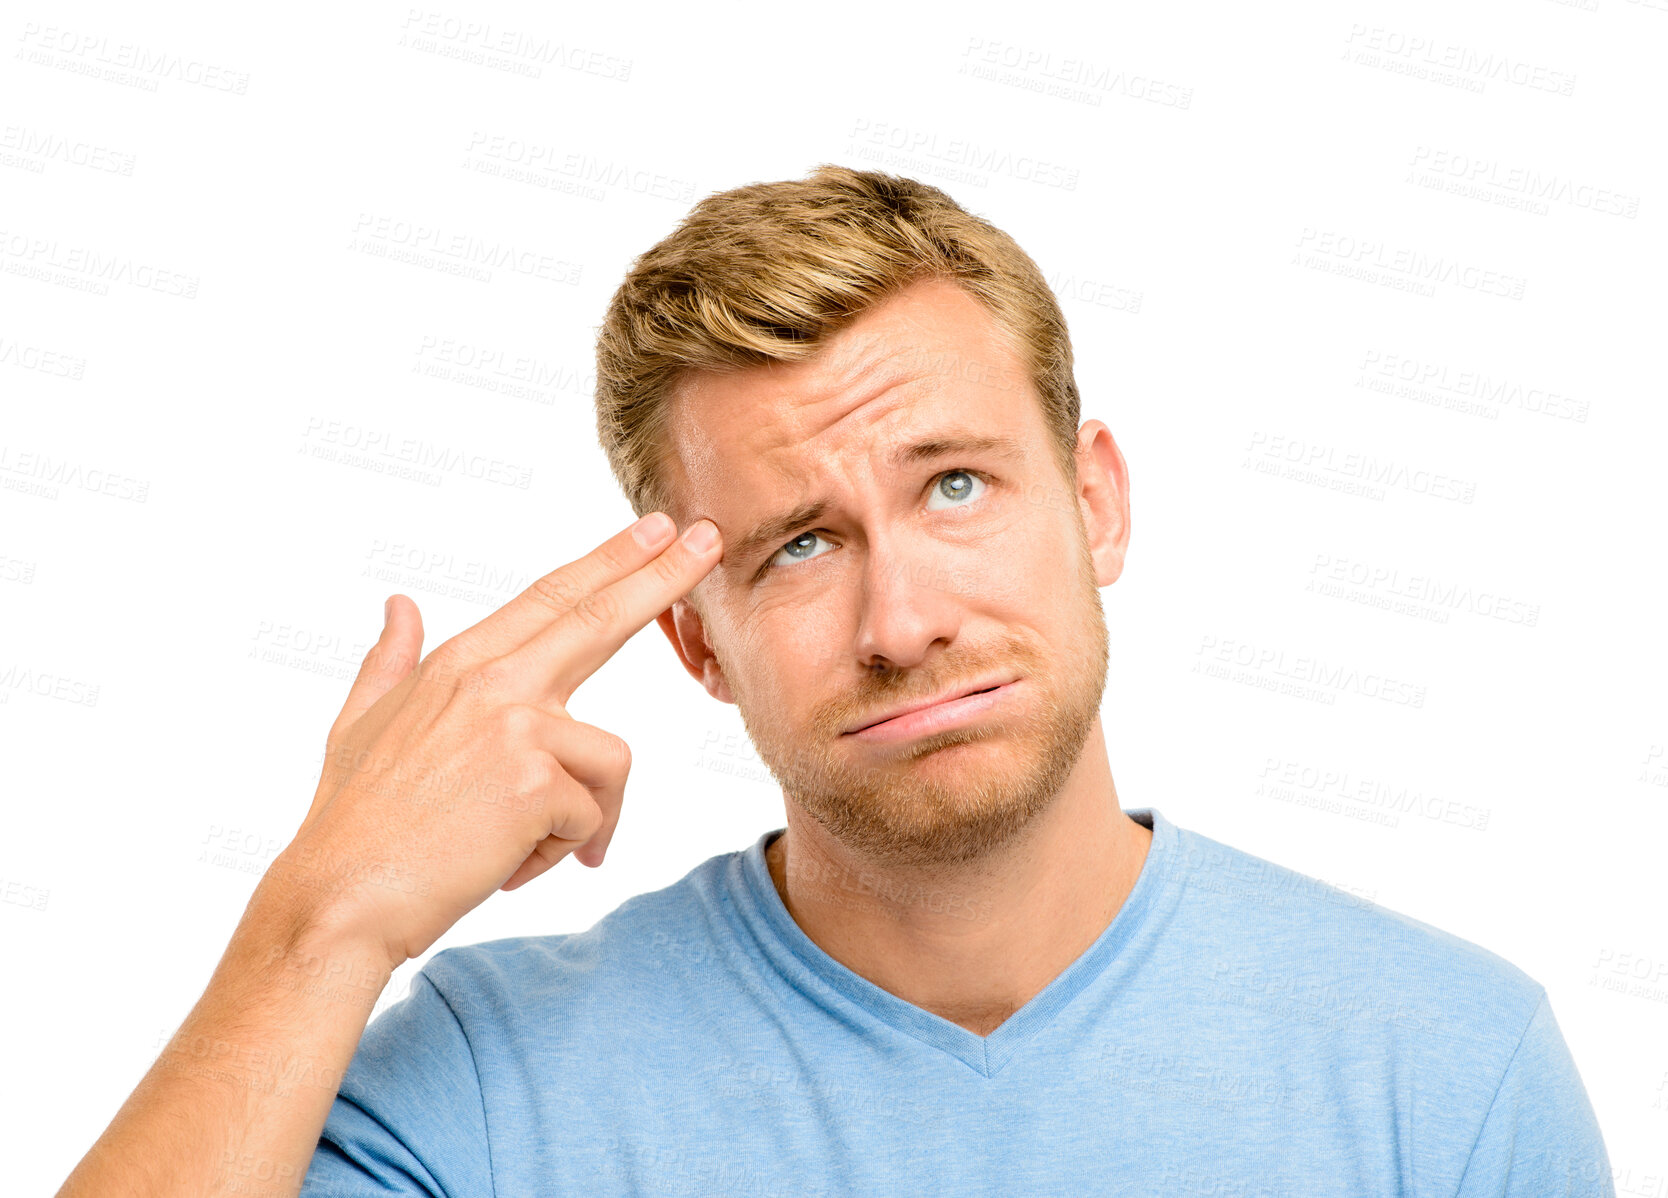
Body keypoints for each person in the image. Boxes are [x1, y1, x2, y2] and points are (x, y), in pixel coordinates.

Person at [57, 166, 1615, 1197]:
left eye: (955, 486)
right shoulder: (485, 1089)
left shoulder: (1444, 1071)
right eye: (800, 544)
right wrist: (322, 916)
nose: (903, 618)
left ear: (1098, 504)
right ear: (696, 640)